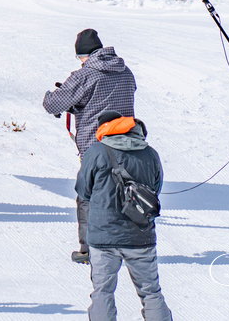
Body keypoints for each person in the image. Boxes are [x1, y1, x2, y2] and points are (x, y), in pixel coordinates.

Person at [42, 28, 136, 263]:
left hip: (96, 147)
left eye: (80, 57)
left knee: (89, 197)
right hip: (128, 143)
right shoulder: (125, 71)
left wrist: (52, 95)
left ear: (84, 55)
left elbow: (54, 105)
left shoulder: (85, 74)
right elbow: (117, 96)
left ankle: (89, 250)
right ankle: (125, 245)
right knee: (121, 194)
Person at [76, 111, 171, 321]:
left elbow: (83, 190)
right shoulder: (150, 153)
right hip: (140, 234)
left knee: (103, 291)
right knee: (151, 292)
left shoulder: (97, 152)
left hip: (103, 236)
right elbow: (155, 188)